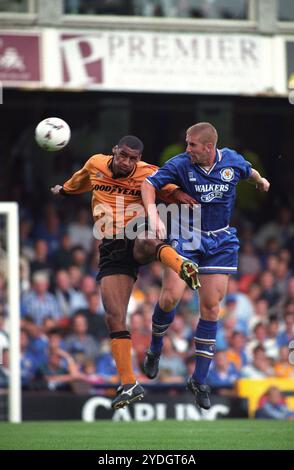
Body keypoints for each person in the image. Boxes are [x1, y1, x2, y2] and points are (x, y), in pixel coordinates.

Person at [51, 134, 199, 409]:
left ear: (139, 159)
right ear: (114, 151)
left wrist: (180, 195)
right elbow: (78, 182)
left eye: (133, 158)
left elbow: (170, 189)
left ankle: (182, 265)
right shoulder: (96, 164)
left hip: (136, 232)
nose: (127, 162)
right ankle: (129, 383)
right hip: (111, 247)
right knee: (114, 317)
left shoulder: (148, 173)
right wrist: (63, 191)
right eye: (123, 156)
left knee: (146, 236)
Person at [141, 122, 270, 409]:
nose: (187, 149)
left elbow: (250, 173)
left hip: (220, 240)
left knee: (211, 307)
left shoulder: (232, 161)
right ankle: (155, 349)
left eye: (192, 145)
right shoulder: (181, 164)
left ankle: (199, 379)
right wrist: (154, 216)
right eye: (187, 144)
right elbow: (149, 184)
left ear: (209, 147)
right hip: (187, 235)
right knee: (170, 296)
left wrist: (261, 181)